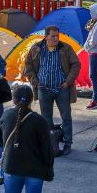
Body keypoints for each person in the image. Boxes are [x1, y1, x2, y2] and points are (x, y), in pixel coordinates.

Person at [24, 26, 81, 156]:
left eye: (57, 36)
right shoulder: (36, 48)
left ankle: (68, 143)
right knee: (46, 118)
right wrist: (35, 82)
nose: (56, 39)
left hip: (62, 88)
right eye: (53, 36)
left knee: (66, 117)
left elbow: (76, 64)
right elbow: (28, 66)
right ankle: (49, 142)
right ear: (46, 37)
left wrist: (68, 82)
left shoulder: (65, 48)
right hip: (44, 89)